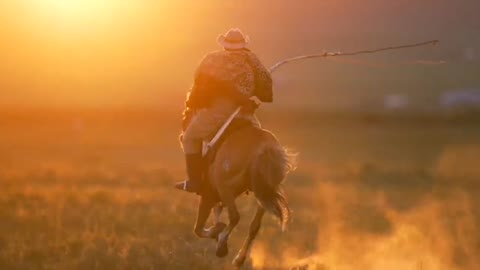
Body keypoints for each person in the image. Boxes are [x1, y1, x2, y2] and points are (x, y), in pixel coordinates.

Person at [175, 28, 273, 194]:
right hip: (243, 111)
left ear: (225, 45)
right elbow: (265, 82)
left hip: (218, 111)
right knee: (257, 136)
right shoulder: (252, 59)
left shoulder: (212, 59)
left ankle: (194, 181)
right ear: (243, 44)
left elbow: (198, 81)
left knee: (190, 137)